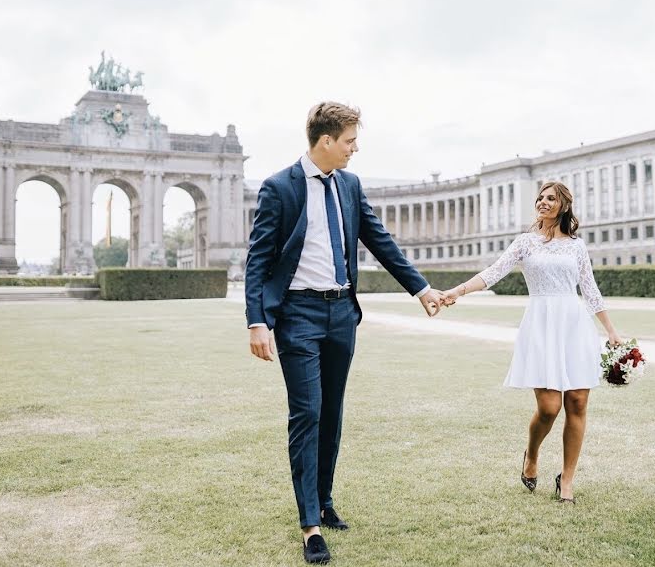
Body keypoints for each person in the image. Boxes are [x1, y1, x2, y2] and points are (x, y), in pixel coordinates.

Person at [245, 101, 445, 564]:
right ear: (326, 140)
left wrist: (421, 288)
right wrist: (257, 320)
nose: (355, 150)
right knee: (307, 413)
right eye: (350, 141)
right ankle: (310, 525)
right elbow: (258, 259)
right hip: (297, 314)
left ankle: (325, 499)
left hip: (342, 315)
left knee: (332, 412)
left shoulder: (350, 185)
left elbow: (379, 240)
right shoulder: (279, 187)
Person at [440, 181, 621, 503]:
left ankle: (566, 480)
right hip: (540, 323)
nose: (543, 202)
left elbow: (590, 289)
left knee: (577, 402)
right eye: (540, 198)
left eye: (550, 198)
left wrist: (611, 331)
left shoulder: (577, 246)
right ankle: (532, 455)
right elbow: (493, 272)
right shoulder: (525, 243)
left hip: (573, 323)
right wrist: (458, 291)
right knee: (549, 408)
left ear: (564, 205)